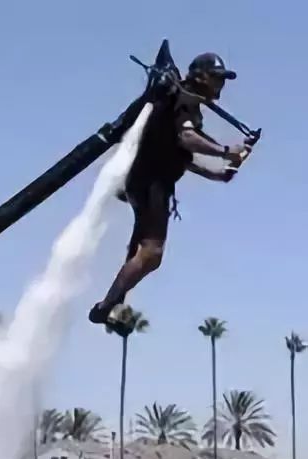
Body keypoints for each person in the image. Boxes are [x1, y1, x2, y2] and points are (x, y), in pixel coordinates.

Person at [89, 52, 251, 334]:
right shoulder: (186, 101)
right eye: (217, 79)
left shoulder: (181, 100)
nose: (220, 86)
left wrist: (216, 173)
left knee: (143, 250)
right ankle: (106, 305)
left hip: (145, 180)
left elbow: (180, 156)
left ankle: (111, 302)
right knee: (152, 252)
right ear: (201, 76)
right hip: (152, 182)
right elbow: (185, 138)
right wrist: (225, 151)